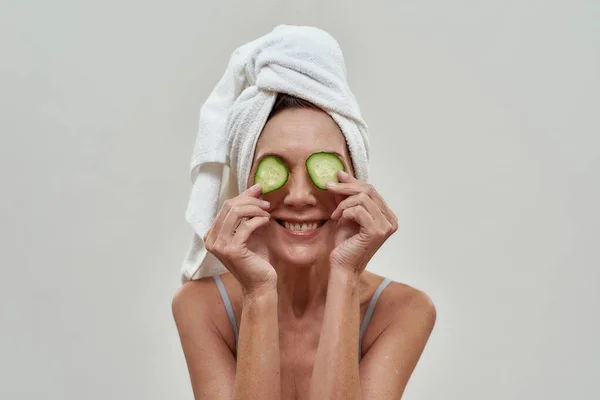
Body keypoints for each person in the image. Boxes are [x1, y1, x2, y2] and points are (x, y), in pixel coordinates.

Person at [173, 26, 436, 400]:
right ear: (246, 181)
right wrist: (259, 293)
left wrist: (345, 275)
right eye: (274, 168)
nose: (299, 196)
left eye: (322, 168)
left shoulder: (402, 311)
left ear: (357, 178)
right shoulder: (201, 307)